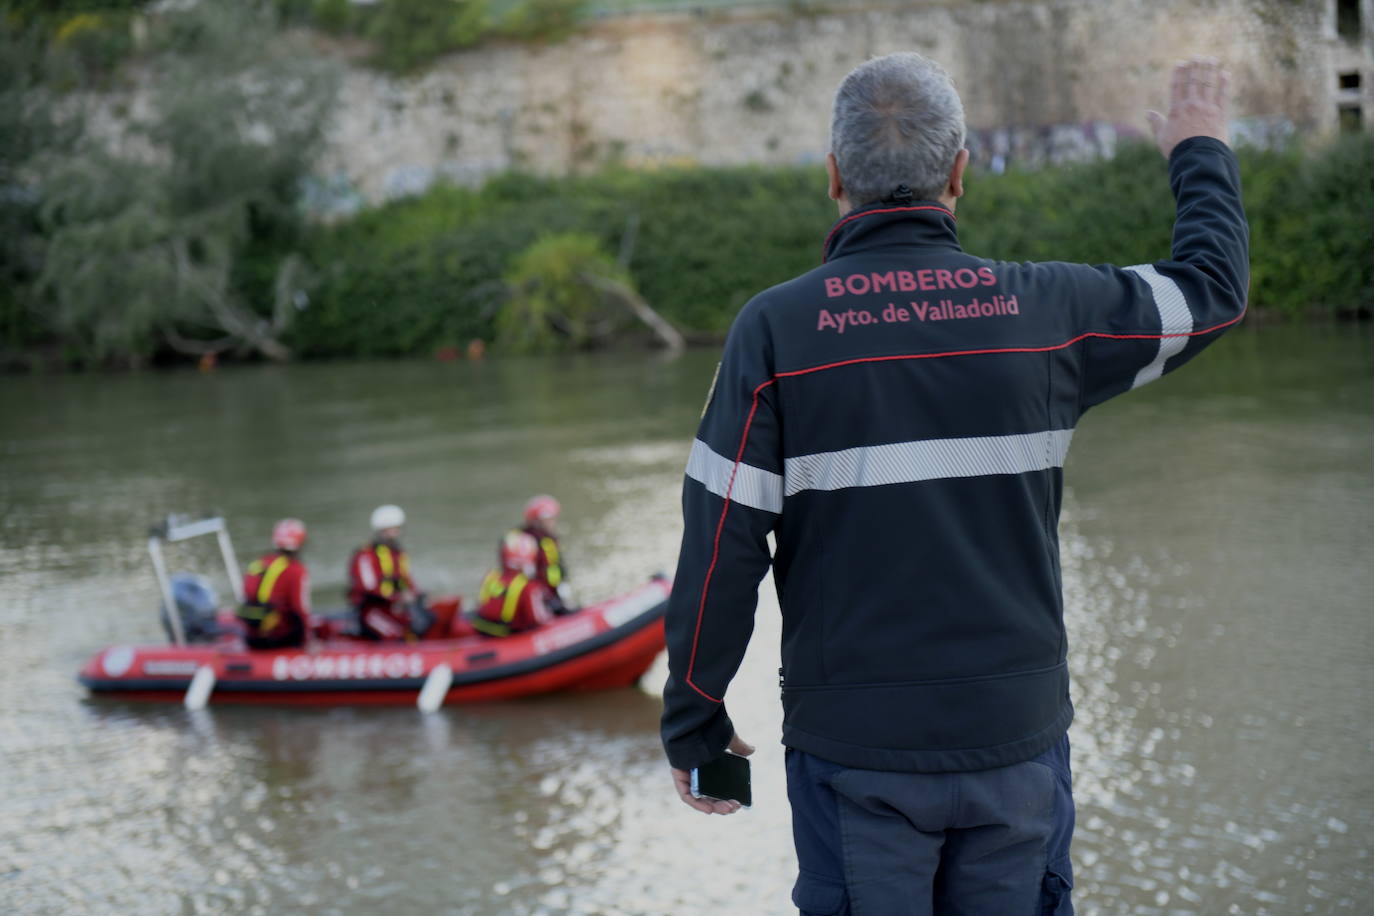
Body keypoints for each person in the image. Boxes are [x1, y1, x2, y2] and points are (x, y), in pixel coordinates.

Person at [660, 54, 1247, 915]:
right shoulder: (1047, 315)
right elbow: (1212, 291)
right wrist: (1200, 147)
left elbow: (721, 551)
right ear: (960, 171)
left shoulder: (776, 332)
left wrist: (695, 722)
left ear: (834, 178)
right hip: (1016, 749)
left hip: (856, 758)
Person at [348, 504, 423, 641]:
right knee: (395, 635)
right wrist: (398, 599)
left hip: (394, 607)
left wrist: (414, 595)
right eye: (392, 529)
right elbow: (368, 588)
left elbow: (406, 580)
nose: (395, 532)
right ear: (382, 530)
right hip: (371, 610)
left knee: (422, 624)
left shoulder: (398, 554)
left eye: (397, 528)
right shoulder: (366, 555)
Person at [237, 518, 311, 650]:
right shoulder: (295, 570)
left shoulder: (259, 563)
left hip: (252, 638)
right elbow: (300, 609)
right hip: (279, 639)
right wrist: (308, 641)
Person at [471, 530, 554, 637]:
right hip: (507, 635)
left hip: (484, 629)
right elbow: (537, 620)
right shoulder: (529, 587)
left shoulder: (492, 577)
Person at [512, 494, 573, 614]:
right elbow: (528, 574)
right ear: (537, 521)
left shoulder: (547, 539)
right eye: (548, 520)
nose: (552, 523)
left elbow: (556, 567)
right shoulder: (529, 542)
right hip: (542, 595)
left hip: (552, 591)